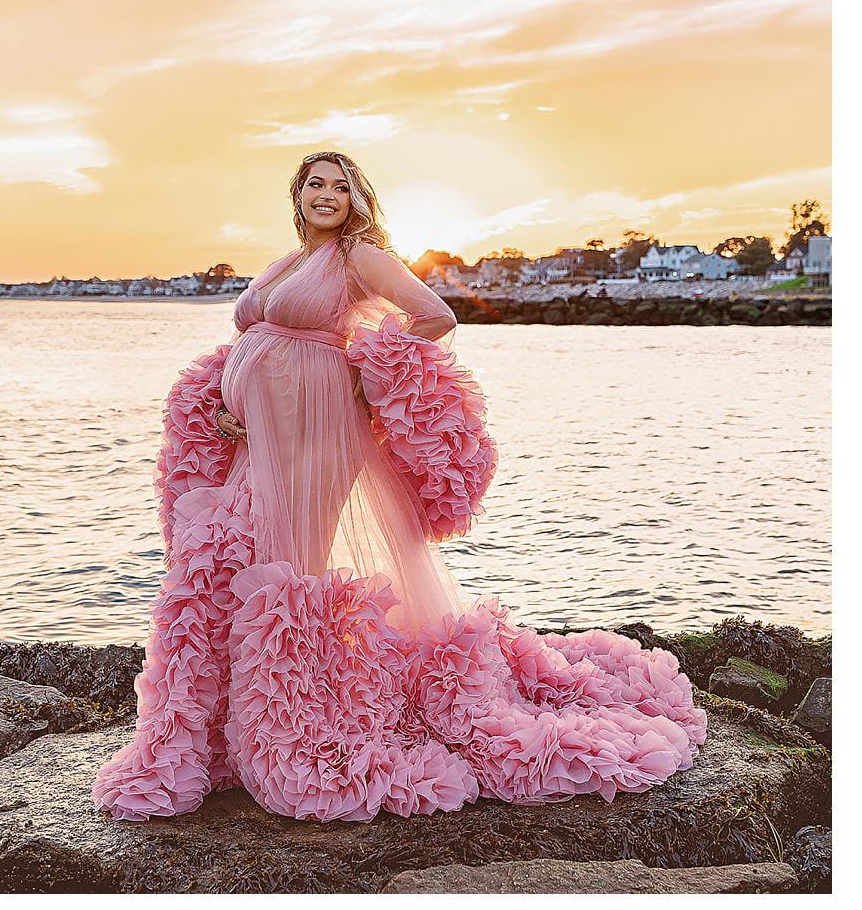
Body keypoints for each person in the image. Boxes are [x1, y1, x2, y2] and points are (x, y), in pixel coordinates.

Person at [93, 151, 706, 823]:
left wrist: (367, 373)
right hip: (262, 446)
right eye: (315, 185)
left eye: (340, 186)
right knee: (237, 561)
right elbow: (260, 338)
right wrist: (228, 404)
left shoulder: (361, 257)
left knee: (290, 567)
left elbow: (435, 314)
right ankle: (239, 728)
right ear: (297, 196)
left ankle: (298, 720)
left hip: (319, 442)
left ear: (359, 198)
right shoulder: (290, 262)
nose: (327, 195)